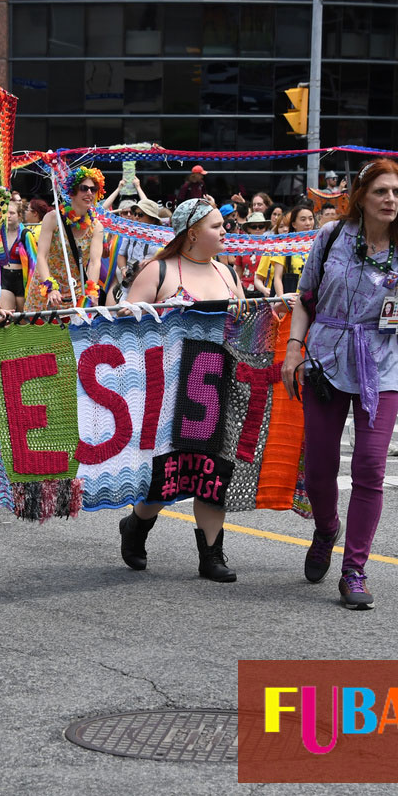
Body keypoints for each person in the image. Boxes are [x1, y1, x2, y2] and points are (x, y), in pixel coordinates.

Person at [281, 159, 398, 610]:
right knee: (319, 467)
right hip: (326, 361)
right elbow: (305, 298)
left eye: (397, 193)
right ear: (362, 197)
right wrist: (295, 347)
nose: (391, 200)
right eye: (381, 192)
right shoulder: (330, 238)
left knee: (370, 468)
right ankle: (326, 526)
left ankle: (354, 570)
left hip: (382, 366)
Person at [117, 197, 246, 583]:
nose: (224, 232)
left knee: (214, 469)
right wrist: (135, 312)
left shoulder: (227, 272)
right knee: (167, 474)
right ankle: (137, 525)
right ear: (191, 233)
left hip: (216, 384)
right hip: (168, 391)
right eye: (215, 226)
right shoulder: (158, 270)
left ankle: (212, 554)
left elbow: (244, 323)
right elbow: (126, 319)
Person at [25, 167, 105, 310]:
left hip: (76, 290)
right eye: (84, 188)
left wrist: (91, 290)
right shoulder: (53, 218)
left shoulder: (96, 226)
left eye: (93, 189)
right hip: (47, 288)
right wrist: (50, 287)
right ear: (72, 192)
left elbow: (94, 262)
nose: (89, 193)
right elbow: (41, 256)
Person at [269, 203, 317, 294]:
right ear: (294, 224)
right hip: (291, 300)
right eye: (303, 219)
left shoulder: (318, 245)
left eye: (311, 219)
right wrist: (282, 299)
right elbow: (277, 278)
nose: (308, 223)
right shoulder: (284, 246)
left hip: (313, 299)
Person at [0, 199, 26, 312]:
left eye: (12, 213)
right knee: (6, 315)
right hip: (4, 276)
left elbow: (34, 261)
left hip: (21, 279)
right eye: (5, 213)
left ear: (19, 215)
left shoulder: (26, 235)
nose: (8, 216)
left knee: (22, 318)